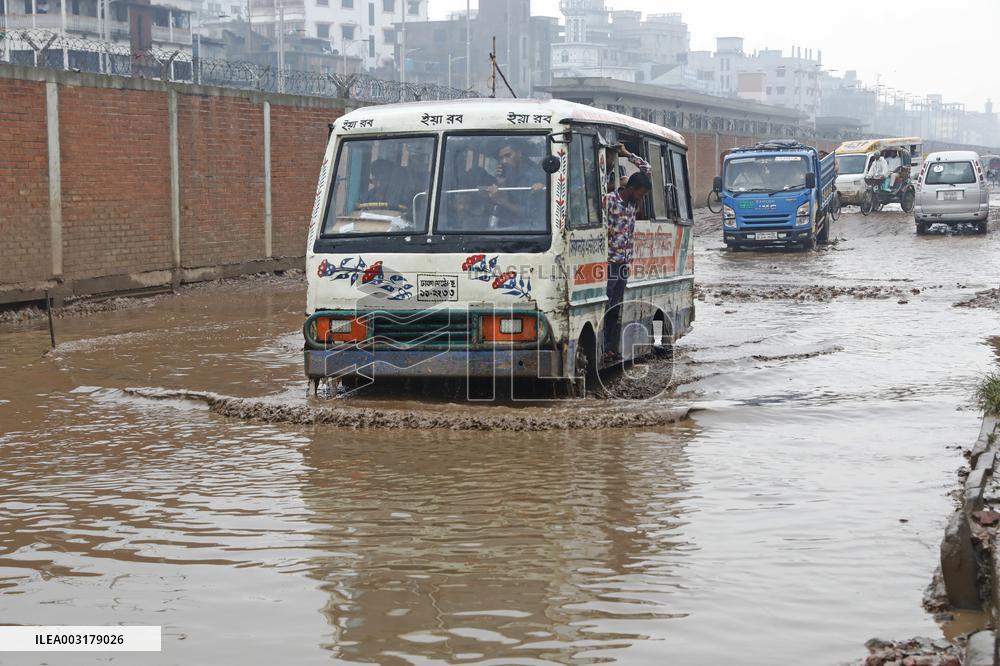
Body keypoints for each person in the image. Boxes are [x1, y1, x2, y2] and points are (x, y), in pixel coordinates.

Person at [603, 144, 652, 364]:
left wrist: (626, 154)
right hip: (609, 262)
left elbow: (647, 168)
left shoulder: (632, 204)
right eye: (640, 194)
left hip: (624, 262)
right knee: (606, 306)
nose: (641, 199)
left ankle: (611, 348)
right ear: (631, 188)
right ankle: (604, 348)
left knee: (617, 307)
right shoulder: (609, 200)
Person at [485, 141, 545, 228]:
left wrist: (503, 202)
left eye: (508, 156)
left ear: (519, 153)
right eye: (501, 158)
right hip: (510, 222)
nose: (504, 161)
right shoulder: (509, 173)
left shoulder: (533, 176)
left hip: (530, 226)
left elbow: (531, 212)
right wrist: (501, 183)